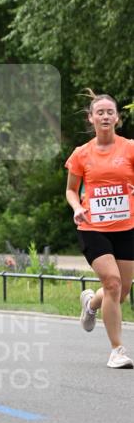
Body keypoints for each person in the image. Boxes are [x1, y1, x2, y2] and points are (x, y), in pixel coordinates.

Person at [65, 91, 134, 369]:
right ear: (91, 118)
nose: (105, 116)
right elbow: (71, 190)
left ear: (117, 118)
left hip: (127, 225)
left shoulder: (130, 148)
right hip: (92, 225)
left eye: (110, 112)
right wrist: (76, 208)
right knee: (113, 284)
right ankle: (117, 350)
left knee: (123, 291)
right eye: (100, 112)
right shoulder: (81, 154)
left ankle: (91, 304)